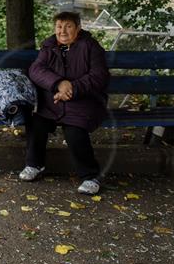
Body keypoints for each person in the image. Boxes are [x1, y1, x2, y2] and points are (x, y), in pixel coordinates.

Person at [19, 11, 110, 195]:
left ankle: (91, 176)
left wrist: (72, 89)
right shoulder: (49, 45)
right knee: (36, 123)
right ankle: (35, 165)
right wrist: (58, 84)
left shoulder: (91, 47)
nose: (62, 31)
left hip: (83, 102)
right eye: (59, 26)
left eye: (68, 26)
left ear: (78, 28)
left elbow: (99, 77)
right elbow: (36, 70)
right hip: (53, 102)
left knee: (74, 132)